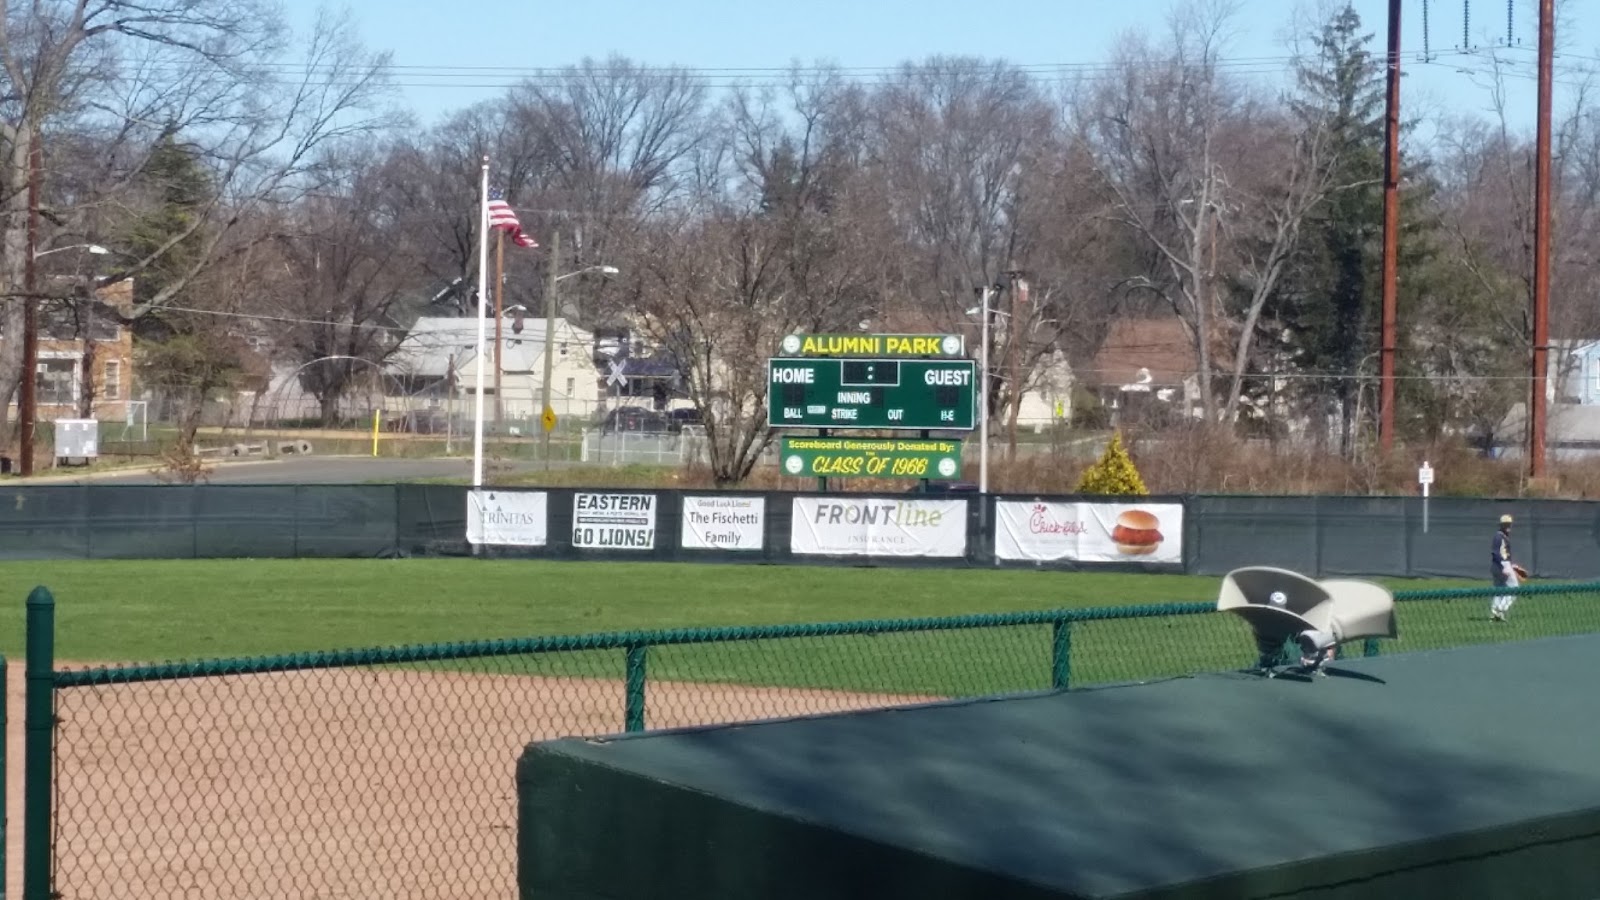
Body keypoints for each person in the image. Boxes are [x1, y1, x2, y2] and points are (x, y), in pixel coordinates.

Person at [1490, 514, 1526, 622]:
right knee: (1514, 588)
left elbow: (1503, 553)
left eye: (1509, 524)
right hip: (1501, 565)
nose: (1508, 526)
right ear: (1501, 525)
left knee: (1499, 590)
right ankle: (1501, 609)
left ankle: (1495, 613)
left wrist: (1511, 565)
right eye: (1505, 524)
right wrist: (1504, 566)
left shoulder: (1501, 536)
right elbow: (1495, 553)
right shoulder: (1499, 537)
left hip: (1499, 565)